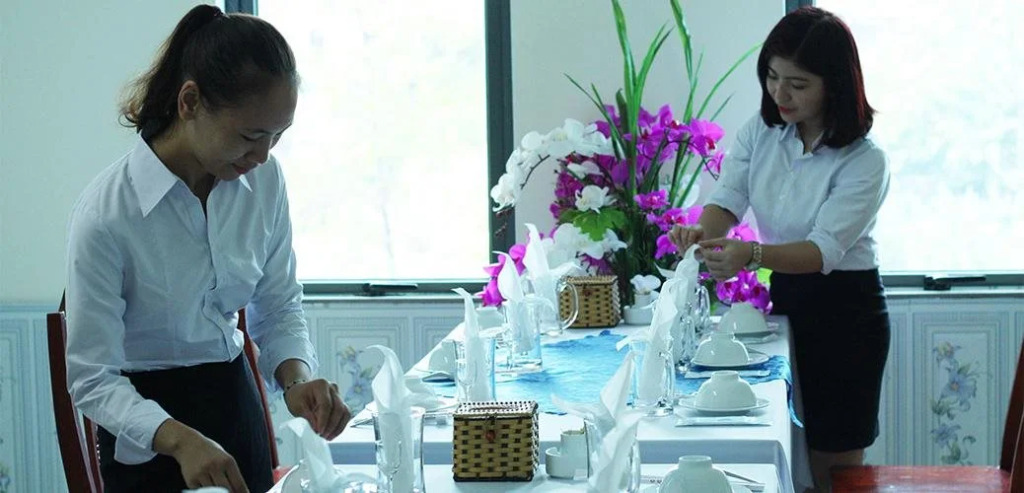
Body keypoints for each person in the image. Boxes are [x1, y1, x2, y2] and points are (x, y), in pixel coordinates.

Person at [64, 5, 351, 492]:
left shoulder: (264, 182)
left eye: (277, 137)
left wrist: (297, 379)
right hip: (149, 438)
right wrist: (180, 441)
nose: (263, 155)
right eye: (250, 136)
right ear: (190, 102)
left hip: (236, 410)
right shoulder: (107, 215)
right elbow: (92, 378)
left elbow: (278, 305)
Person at [669, 7, 890, 492]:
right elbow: (728, 199)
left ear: (835, 85)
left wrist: (750, 256)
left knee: (831, 468)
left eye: (798, 84)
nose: (779, 94)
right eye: (771, 77)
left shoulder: (865, 160)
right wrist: (700, 233)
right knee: (786, 450)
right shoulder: (762, 131)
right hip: (788, 300)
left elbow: (822, 251)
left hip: (845, 315)